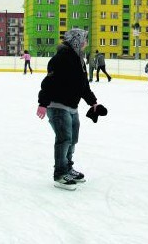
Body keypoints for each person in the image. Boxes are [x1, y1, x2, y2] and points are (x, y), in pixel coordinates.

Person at [36, 28, 102, 191]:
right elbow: (48, 83)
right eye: (84, 39)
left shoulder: (79, 59)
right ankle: (60, 174)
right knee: (64, 139)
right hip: (57, 106)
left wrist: (93, 103)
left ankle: (67, 168)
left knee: (72, 140)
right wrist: (43, 103)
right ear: (76, 41)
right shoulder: (61, 59)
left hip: (72, 106)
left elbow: (83, 86)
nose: (86, 42)